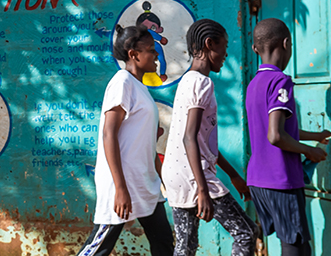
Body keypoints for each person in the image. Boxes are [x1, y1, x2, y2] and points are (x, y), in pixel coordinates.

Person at [162, 19, 257, 256]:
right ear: (209, 43)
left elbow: (203, 142)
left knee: (185, 247)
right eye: (223, 46)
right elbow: (189, 138)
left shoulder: (188, 80)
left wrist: (233, 175)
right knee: (246, 233)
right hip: (194, 176)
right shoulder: (202, 83)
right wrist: (203, 191)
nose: (226, 53)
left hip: (177, 173)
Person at [77, 25, 173, 256]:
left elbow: (146, 145)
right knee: (99, 247)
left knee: (164, 243)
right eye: (151, 50)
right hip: (122, 182)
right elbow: (109, 134)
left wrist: (163, 177)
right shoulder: (122, 82)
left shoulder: (139, 87)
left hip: (145, 182)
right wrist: (120, 188)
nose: (156, 55)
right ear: (133, 54)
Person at [245, 18, 331, 256]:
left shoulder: (254, 84)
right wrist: (309, 150)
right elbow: (275, 136)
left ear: (255, 49)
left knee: (301, 244)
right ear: (286, 44)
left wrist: (317, 135)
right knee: (293, 243)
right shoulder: (280, 81)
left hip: (258, 178)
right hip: (280, 178)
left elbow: (277, 129)